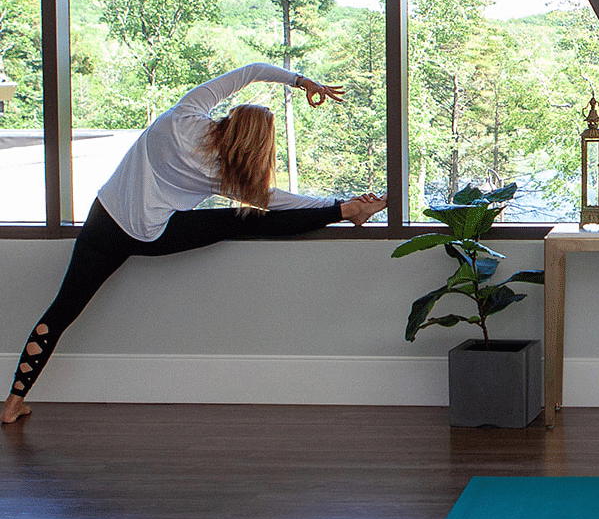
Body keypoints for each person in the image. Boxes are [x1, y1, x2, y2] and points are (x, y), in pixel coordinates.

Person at [3, 63, 387, 425]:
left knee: (62, 311)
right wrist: (338, 205)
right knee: (242, 221)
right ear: (256, 147)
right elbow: (278, 201)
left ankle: (13, 403)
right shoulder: (225, 175)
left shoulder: (184, 114)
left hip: (103, 223)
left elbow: (250, 71)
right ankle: (350, 211)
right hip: (152, 236)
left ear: (231, 119)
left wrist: (300, 80)